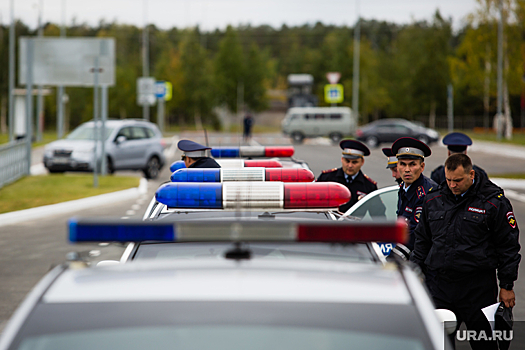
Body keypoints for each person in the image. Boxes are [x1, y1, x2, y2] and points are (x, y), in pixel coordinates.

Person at [411, 154, 521, 350]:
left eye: (458, 180)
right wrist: (414, 275)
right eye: (449, 180)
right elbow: (422, 242)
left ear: (471, 174)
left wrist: (506, 285)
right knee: (438, 344)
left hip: (477, 289)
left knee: (484, 343)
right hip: (440, 286)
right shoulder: (433, 199)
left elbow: (508, 246)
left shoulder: (492, 202)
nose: (452, 185)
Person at [390, 137, 437, 260]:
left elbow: (416, 233)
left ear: (422, 167)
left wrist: (395, 257)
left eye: (412, 165)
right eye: (403, 164)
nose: (407, 170)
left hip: (423, 260)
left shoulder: (428, 192)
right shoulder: (404, 187)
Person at [317, 139, 379, 213]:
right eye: (347, 161)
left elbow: (378, 214)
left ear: (362, 162)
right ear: (342, 159)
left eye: (354, 162)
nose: (350, 165)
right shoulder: (327, 178)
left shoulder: (369, 186)